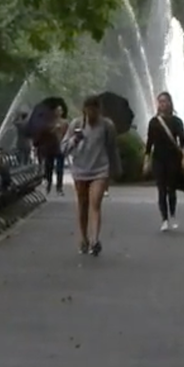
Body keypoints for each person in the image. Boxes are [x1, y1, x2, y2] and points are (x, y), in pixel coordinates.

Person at [62, 95, 121, 255]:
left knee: (95, 203)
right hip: (80, 169)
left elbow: (112, 148)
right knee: (82, 204)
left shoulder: (107, 126)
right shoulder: (76, 124)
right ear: (85, 110)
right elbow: (64, 148)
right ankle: (83, 238)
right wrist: (75, 139)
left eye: (95, 110)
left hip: (100, 169)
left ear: (99, 109)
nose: (92, 114)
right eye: (89, 110)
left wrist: (115, 170)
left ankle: (95, 240)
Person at [145, 92, 184, 231]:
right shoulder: (153, 122)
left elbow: (182, 141)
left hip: (173, 158)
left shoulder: (177, 121)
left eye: (165, 101)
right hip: (158, 158)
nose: (162, 104)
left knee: (171, 189)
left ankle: (173, 214)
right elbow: (149, 142)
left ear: (170, 103)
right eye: (160, 101)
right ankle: (164, 219)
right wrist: (147, 159)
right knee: (161, 189)